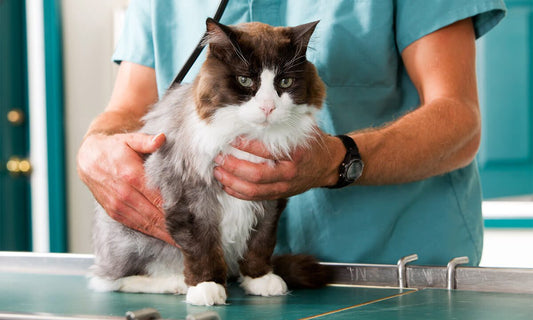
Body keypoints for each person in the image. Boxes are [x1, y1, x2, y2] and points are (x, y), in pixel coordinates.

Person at [77, 0, 506, 266]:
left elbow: (459, 120)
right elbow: (128, 111)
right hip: (228, 283)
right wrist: (95, 149)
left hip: (395, 272)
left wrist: (336, 160)